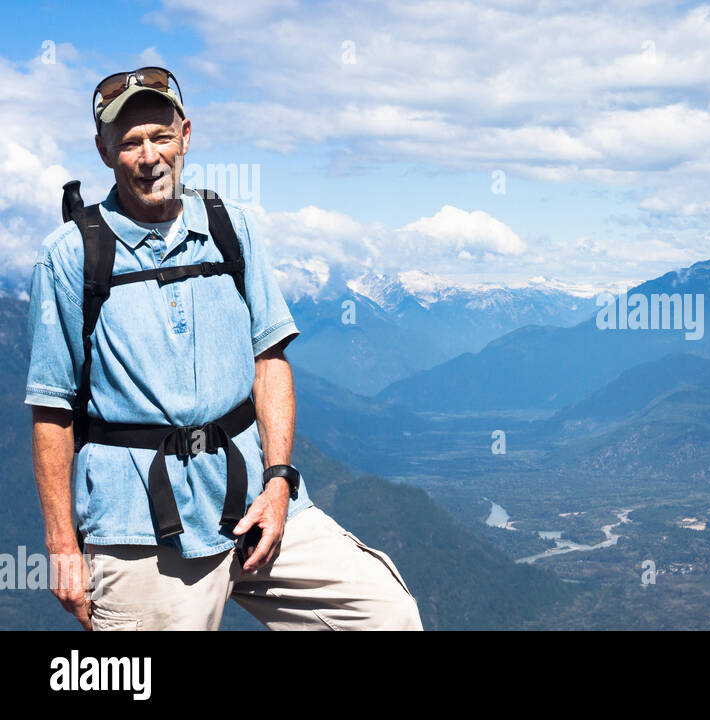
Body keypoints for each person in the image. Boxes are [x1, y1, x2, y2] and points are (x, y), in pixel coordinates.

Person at [25, 66, 422, 630]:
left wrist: (280, 481)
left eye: (160, 136)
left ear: (186, 134)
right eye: (130, 142)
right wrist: (62, 542)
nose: (149, 156)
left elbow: (270, 362)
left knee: (384, 616)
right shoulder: (69, 256)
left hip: (250, 502)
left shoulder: (232, 229)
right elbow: (52, 408)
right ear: (103, 150)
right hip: (139, 524)